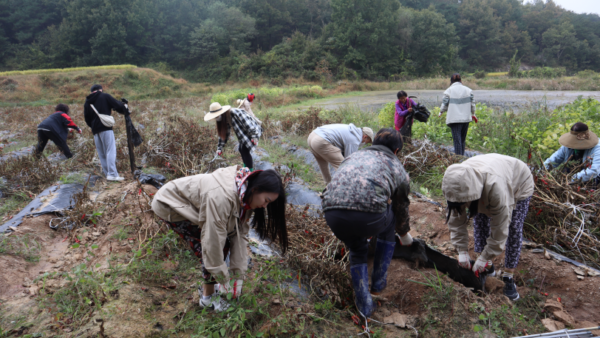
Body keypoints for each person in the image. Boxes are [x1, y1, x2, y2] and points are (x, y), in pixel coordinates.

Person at [151, 166, 288, 312]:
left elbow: (239, 235)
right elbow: (213, 243)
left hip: (188, 204)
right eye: (266, 200)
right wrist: (224, 280)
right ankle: (207, 298)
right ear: (256, 189)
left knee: (222, 243)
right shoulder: (222, 197)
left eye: (269, 203)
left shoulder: (245, 195)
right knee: (215, 248)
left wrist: (237, 277)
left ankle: (211, 287)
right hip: (170, 204)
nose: (264, 206)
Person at [322, 128, 412, 318]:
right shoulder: (396, 167)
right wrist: (404, 233)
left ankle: (364, 305)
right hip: (368, 217)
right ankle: (378, 285)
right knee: (390, 222)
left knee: (356, 249)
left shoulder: (352, 157)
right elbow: (401, 207)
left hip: (332, 214)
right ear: (396, 151)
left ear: (372, 143)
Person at [442, 153, 534, 301]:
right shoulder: (455, 183)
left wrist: (486, 255)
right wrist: (462, 250)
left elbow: (501, 225)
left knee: (513, 229)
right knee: (480, 220)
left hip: (518, 182)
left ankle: (508, 277)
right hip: (486, 176)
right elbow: (455, 217)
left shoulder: (496, 188)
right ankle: (488, 266)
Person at [83, 84, 128, 181]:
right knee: (110, 150)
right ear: (100, 90)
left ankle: (107, 174)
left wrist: (94, 126)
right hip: (106, 128)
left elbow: (86, 119)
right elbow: (118, 105)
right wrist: (125, 107)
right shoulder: (104, 96)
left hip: (95, 131)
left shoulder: (87, 101)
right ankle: (112, 174)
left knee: (102, 153)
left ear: (92, 91)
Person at [307, 124, 374, 184]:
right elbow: (349, 160)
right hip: (321, 140)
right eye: (367, 142)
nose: (365, 143)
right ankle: (344, 188)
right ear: (365, 137)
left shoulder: (351, 130)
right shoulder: (354, 140)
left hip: (312, 136)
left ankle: (328, 185)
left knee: (322, 163)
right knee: (344, 167)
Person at [205, 102, 261, 170]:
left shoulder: (235, 113)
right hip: (244, 133)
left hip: (252, 130)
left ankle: (249, 172)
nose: (216, 118)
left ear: (220, 113)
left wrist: (254, 135)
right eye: (215, 117)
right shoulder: (224, 118)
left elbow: (248, 123)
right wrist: (220, 148)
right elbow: (224, 134)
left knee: (245, 149)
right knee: (241, 149)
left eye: (216, 116)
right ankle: (245, 168)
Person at [438, 73, 476, 156]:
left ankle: (459, 160)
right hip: (466, 118)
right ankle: (461, 157)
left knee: (457, 140)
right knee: (462, 140)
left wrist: (441, 111)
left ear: (451, 82)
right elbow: (472, 103)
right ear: (461, 81)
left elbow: (445, 103)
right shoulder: (468, 90)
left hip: (454, 119)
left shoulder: (449, 91)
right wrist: (473, 113)